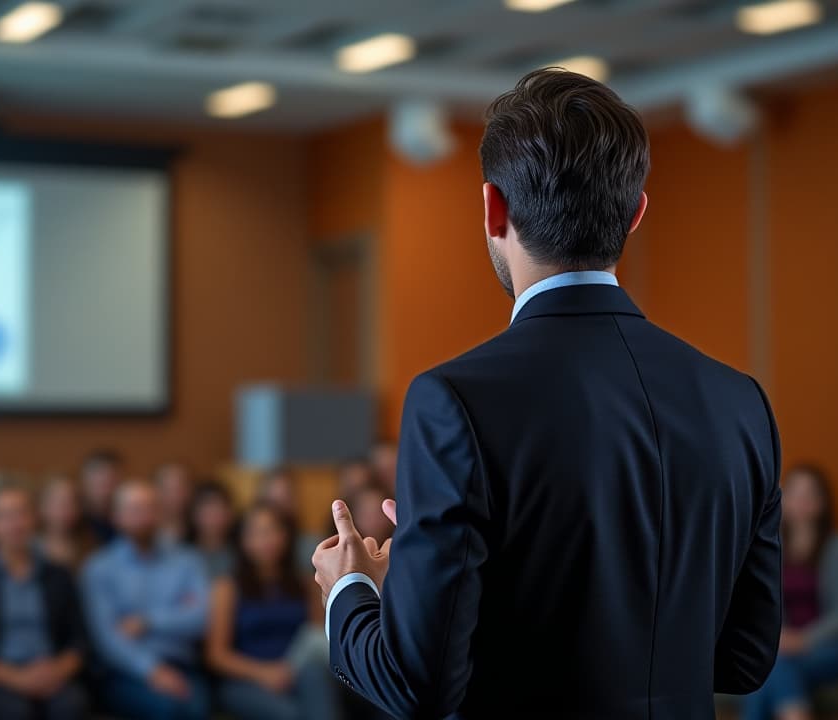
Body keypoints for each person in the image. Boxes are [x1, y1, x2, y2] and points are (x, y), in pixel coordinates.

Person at [312, 67, 782, 719]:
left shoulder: (452, 401)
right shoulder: (741, 402)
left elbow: (417, 687)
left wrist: (352, 592)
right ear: (637, 211)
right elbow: (743, 659)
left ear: (492, 208)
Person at [742, 465, 838, 720]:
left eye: (809, 494)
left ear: (822, 503)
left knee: (775, 668)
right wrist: (781, 639)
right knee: (771, 669)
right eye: (794, 493)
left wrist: (803, 640)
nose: (801, 501)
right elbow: (764, 607)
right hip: (789, 651)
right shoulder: (772, 548)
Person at [0, 482, 90, 720]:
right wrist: (17, 679)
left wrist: (56, 671)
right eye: (4, 516)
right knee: (14, 712)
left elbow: (80, 639)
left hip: (51, 672)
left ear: (35, 518)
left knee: (72, 705)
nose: (15, 524)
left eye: (22, 513)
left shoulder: (58, 575)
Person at [83, 481, 210, 720]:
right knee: (166, 710)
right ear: (116, 517)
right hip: (125, 671)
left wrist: (147, 621)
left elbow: (201, 618)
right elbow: (107, 637)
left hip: (182, 664)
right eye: (134, 509)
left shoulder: (188, 561)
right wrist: (152, 670)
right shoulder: (100, 567)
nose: (143, 517)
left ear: (160, 512)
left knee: (195, 710)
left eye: (149, 508)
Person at [206, 502, 339, 720]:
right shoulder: (227, 587)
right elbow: (216, 655)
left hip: (297, 669)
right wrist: (264, 673)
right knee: (290, 715)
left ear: (286, 536)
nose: (266, 541)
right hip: (246, 678)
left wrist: (290, 669)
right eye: (257, 533)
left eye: (272, 531)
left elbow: (318, 634)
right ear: (243, 540)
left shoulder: (304, 582)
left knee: (317, 680)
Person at [257, 467, 319, 574]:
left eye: (286, 497)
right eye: (274, 500)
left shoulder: (311, 547)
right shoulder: (255, 546)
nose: (280, 506)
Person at [37, 476, 97, 571]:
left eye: (71, 502)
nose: (65, 509)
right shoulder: (29, 548)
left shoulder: (92, 548)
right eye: (57, 502)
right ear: (41, 506)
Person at [188, 480, 236, 579]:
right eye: (207, 509)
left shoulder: (240, 553)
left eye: (219, 508)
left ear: (230, 514)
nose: (213, 516)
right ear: (194, 514)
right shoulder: (184, 555)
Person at [79, 449, 122, 545]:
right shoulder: (72, 517)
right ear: (84, 480)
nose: (104, 481)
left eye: (111, 477)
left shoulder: (127, 518)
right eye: (97, 475)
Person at [155, 462, 193, 548]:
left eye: (180, 488)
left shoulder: (199, 527)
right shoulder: (144, 528)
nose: (175, 496)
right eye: (168, 489)